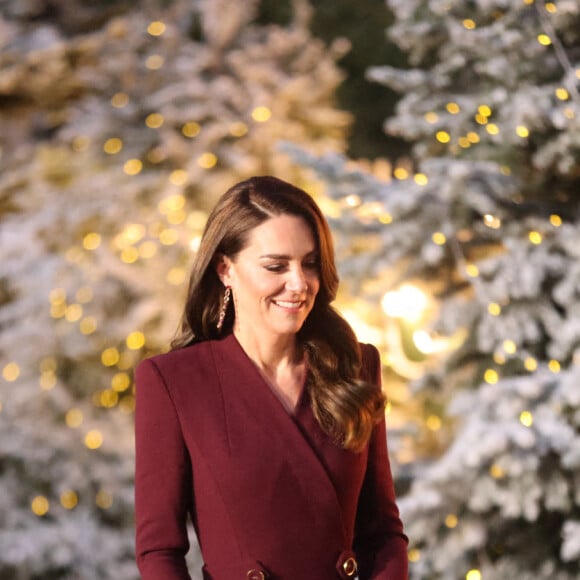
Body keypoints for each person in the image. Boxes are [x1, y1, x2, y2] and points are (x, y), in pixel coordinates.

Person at [134, 176, 408, 580]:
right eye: (276, 266)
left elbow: (383, 533)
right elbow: (159, 550)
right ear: (225, 269)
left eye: (310, 263)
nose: (299, 284)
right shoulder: (173, 382)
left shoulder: (355, 365)